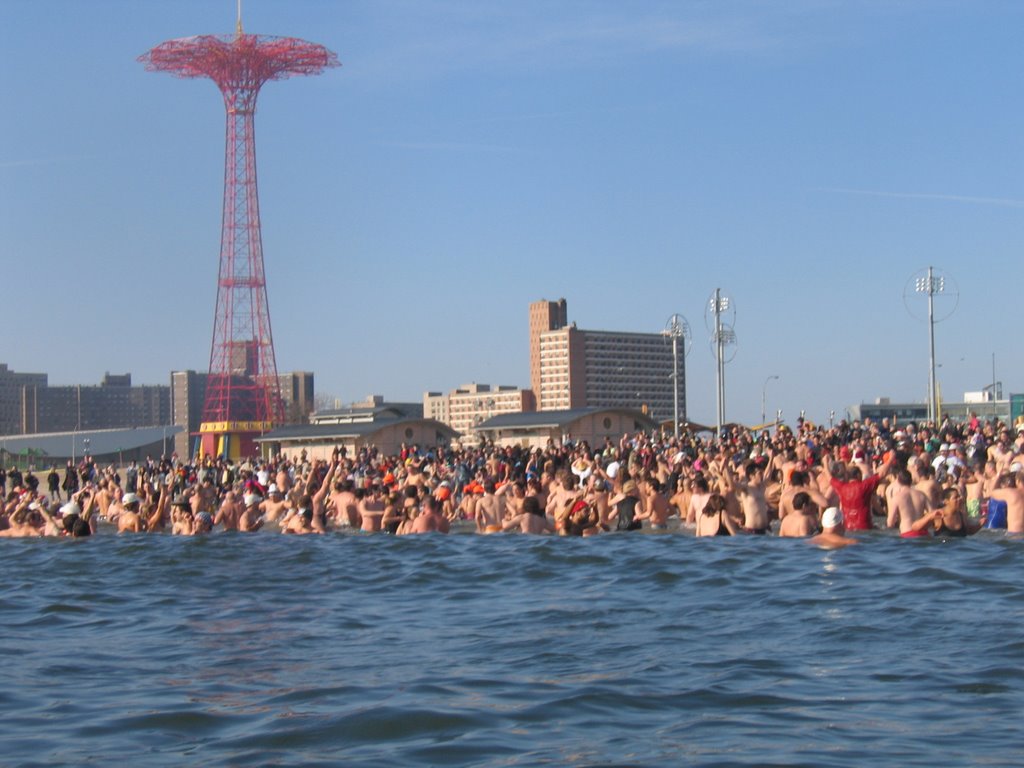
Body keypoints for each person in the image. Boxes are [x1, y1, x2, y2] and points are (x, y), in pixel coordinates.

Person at [886, 469, 935, 538]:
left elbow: (890, 523)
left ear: (898, 481)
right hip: (923, 532)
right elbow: (932, 514)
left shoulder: (897, 498)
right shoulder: (921, 495)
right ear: (911, 481)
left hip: (907, 533)